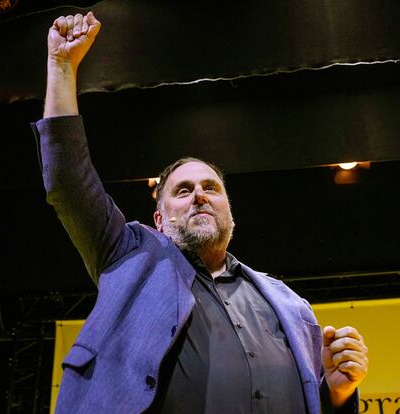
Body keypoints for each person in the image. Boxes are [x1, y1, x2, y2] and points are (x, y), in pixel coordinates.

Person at [31, 11, 369, 414]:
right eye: (183, 190)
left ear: (231, 214)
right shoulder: (129, 256)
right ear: (159, 220)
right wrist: (61, 67)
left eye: (211, 188)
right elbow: (69, 182)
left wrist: (339, 393)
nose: (200, 196)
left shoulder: (288, 301)